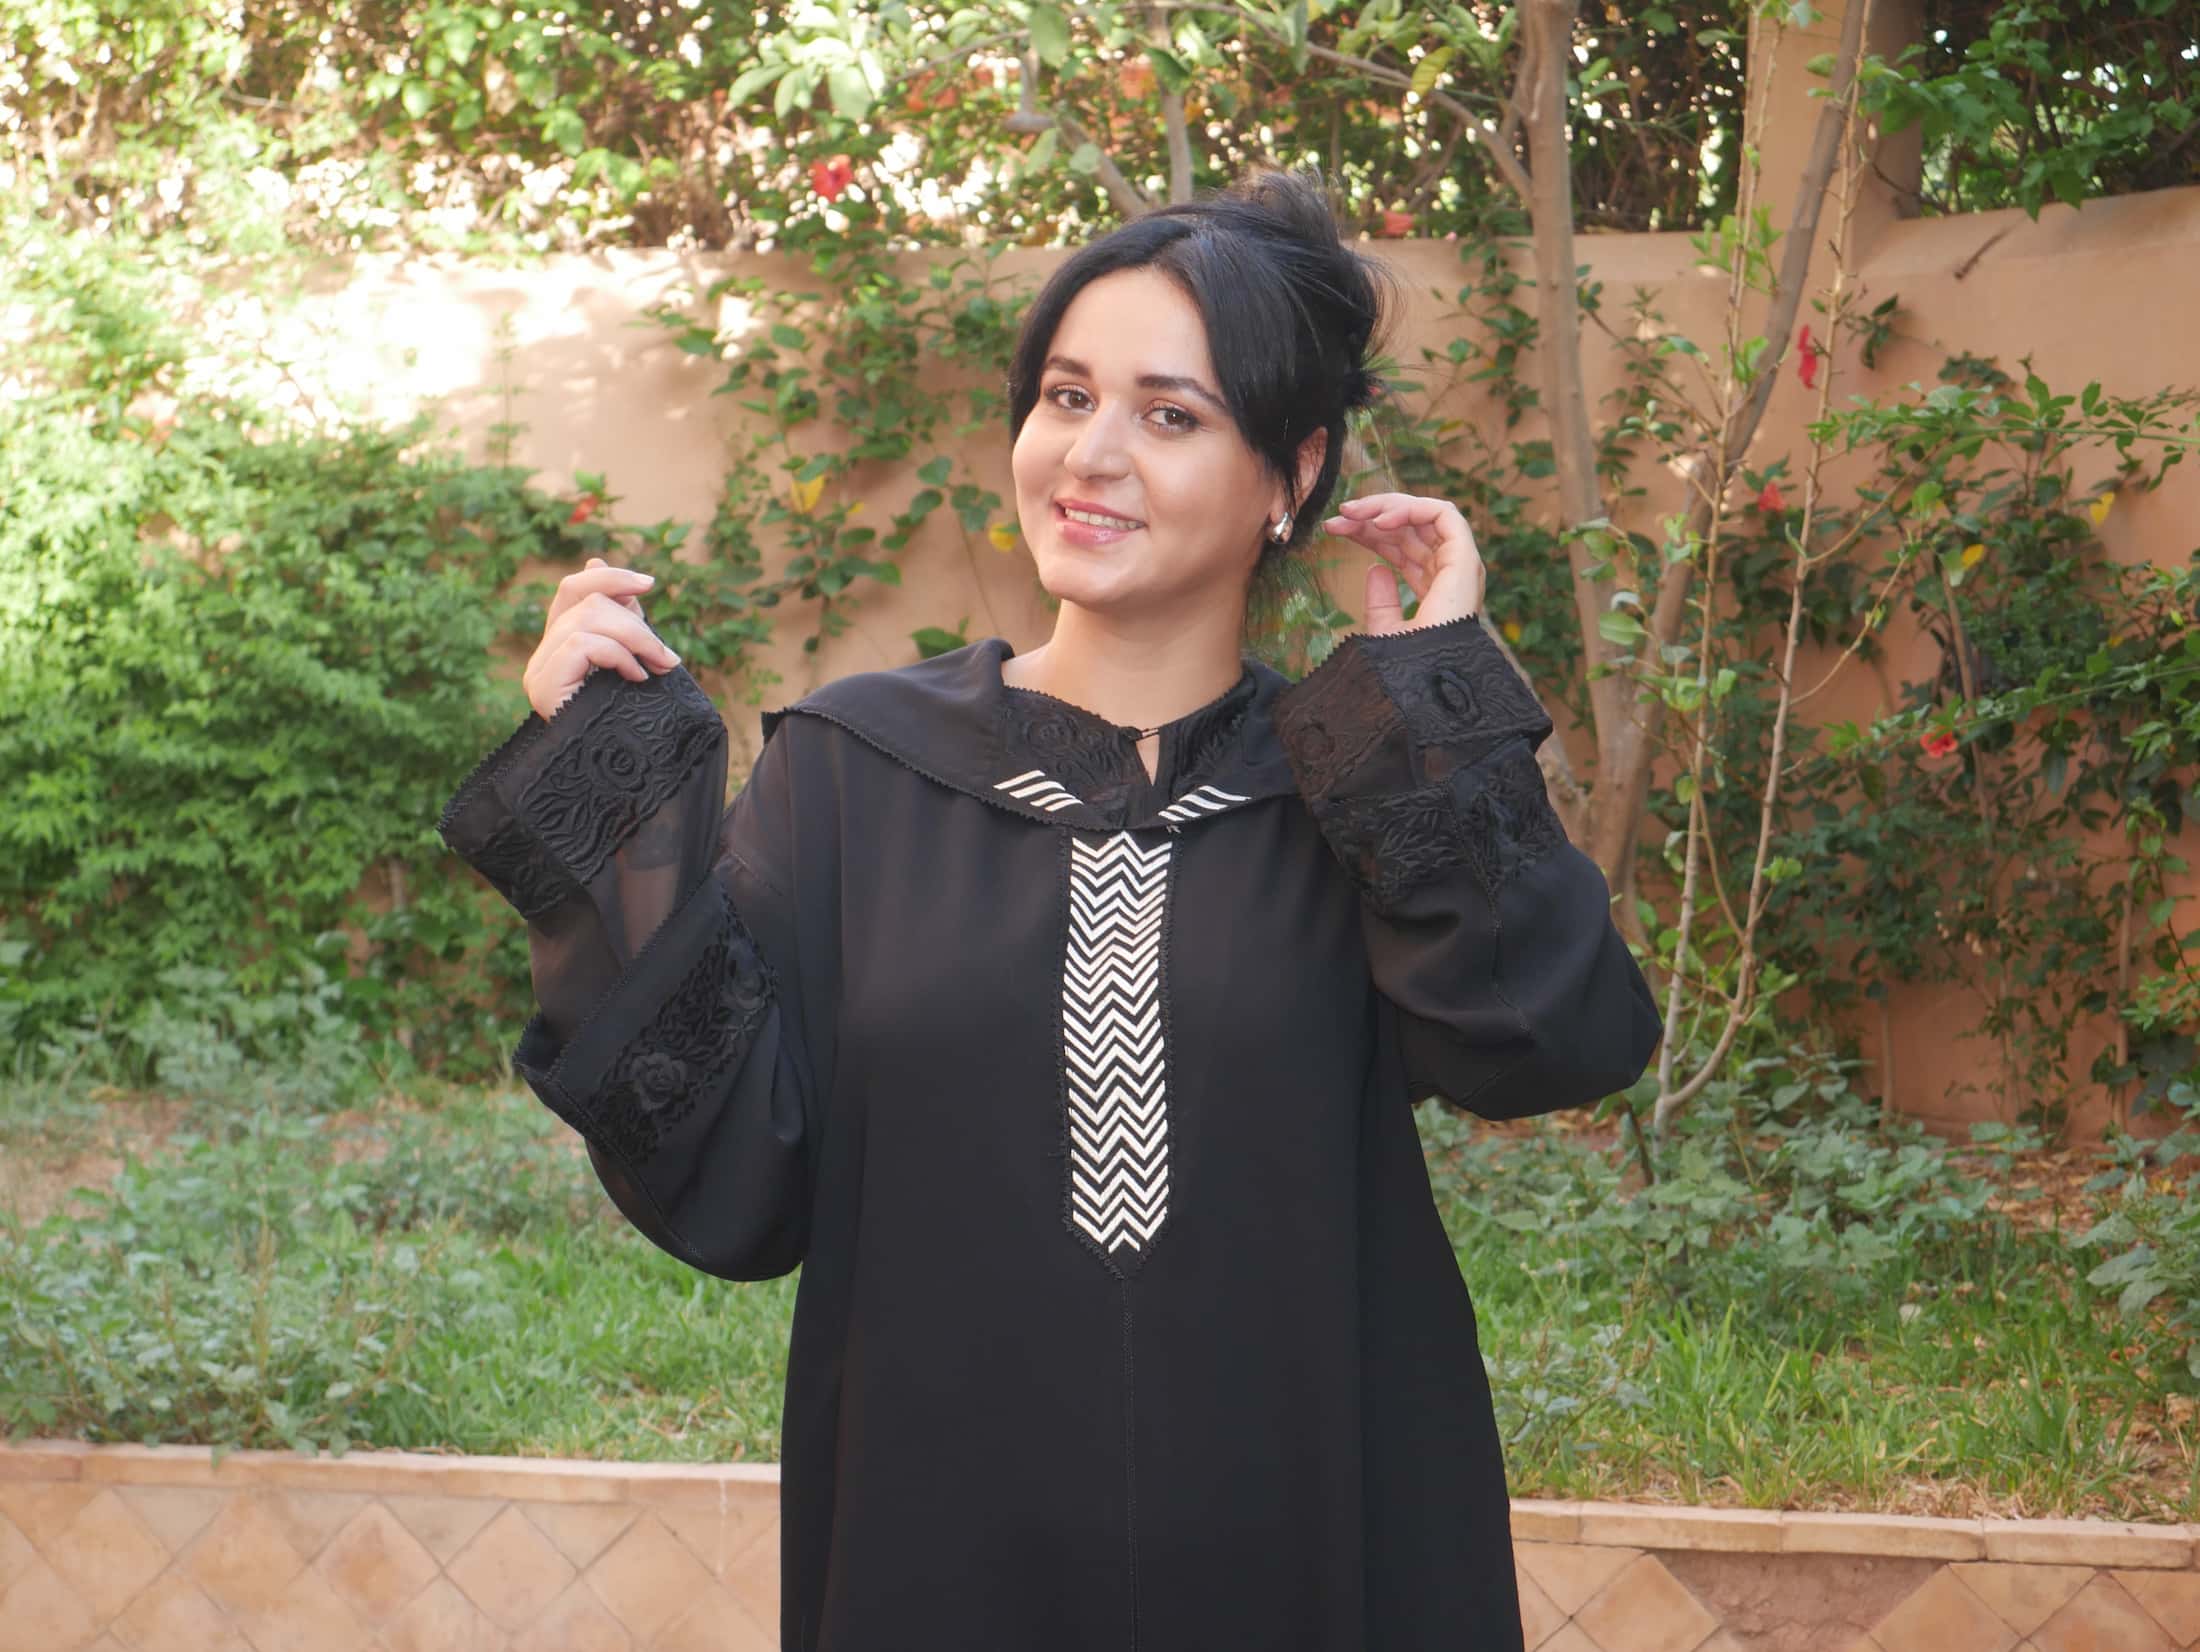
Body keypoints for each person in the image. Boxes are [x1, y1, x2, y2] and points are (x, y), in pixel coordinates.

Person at [438, 164, 1662, 1652]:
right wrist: (604, 779)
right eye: (1066, 397)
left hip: (1315, 1538)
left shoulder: (1355, 786)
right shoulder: (857, 770)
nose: (1092, 455)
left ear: (1292, 474)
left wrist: (1430, 707)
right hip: (943, 1548)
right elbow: (739, 1175)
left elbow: (1551, 1042)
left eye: (1170, 415)